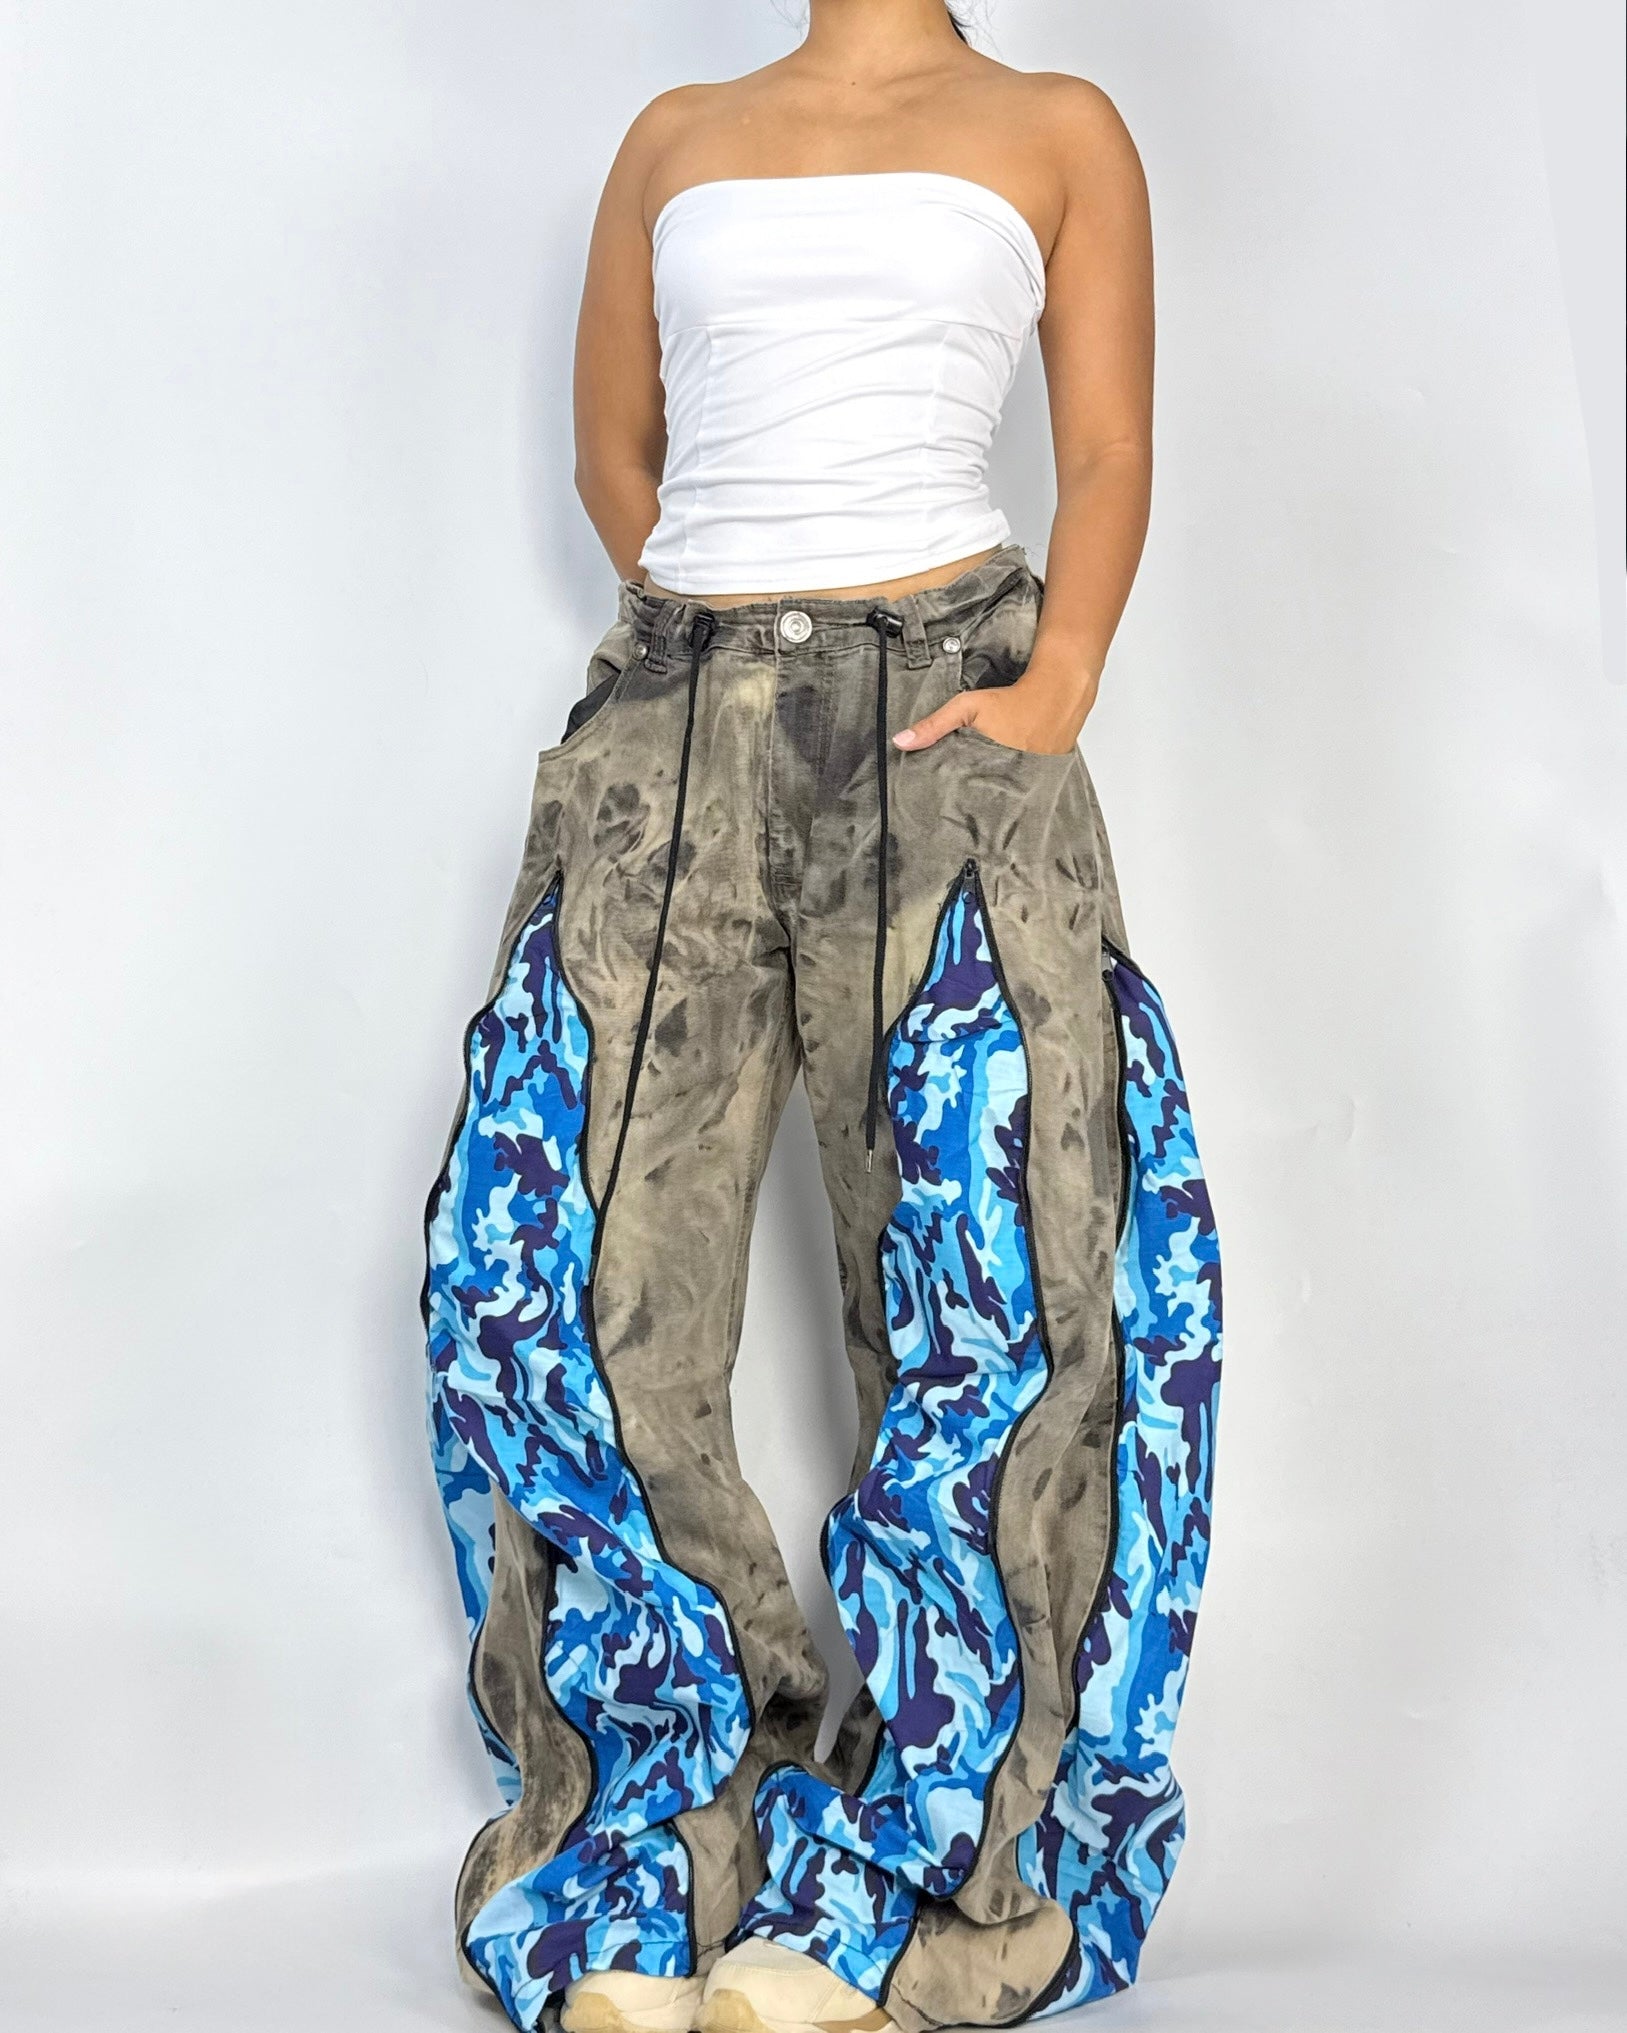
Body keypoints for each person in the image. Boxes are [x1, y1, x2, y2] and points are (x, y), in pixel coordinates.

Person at [421, 6, 1223, 2032]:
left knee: (997, 1291)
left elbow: (1110, 448)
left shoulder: (1056, 124)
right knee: (565, 1285)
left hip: (948, 722)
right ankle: (649, 1853)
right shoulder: (675, 132)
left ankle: (944, 1891)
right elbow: (616, 453)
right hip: (671, 739)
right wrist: (713, 669)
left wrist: (1057, 680)